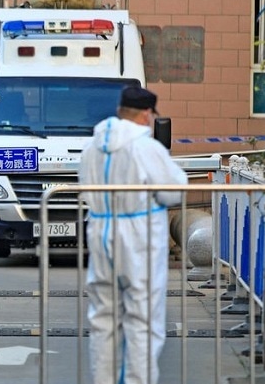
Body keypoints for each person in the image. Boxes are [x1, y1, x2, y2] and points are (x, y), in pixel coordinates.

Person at [78, 85, 188, 384]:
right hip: (139, 237)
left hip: (100, 230)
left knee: (103, 319)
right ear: (145, 114)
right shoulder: (145, 147)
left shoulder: (92, 147)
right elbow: (173, 191)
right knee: (143, 319)